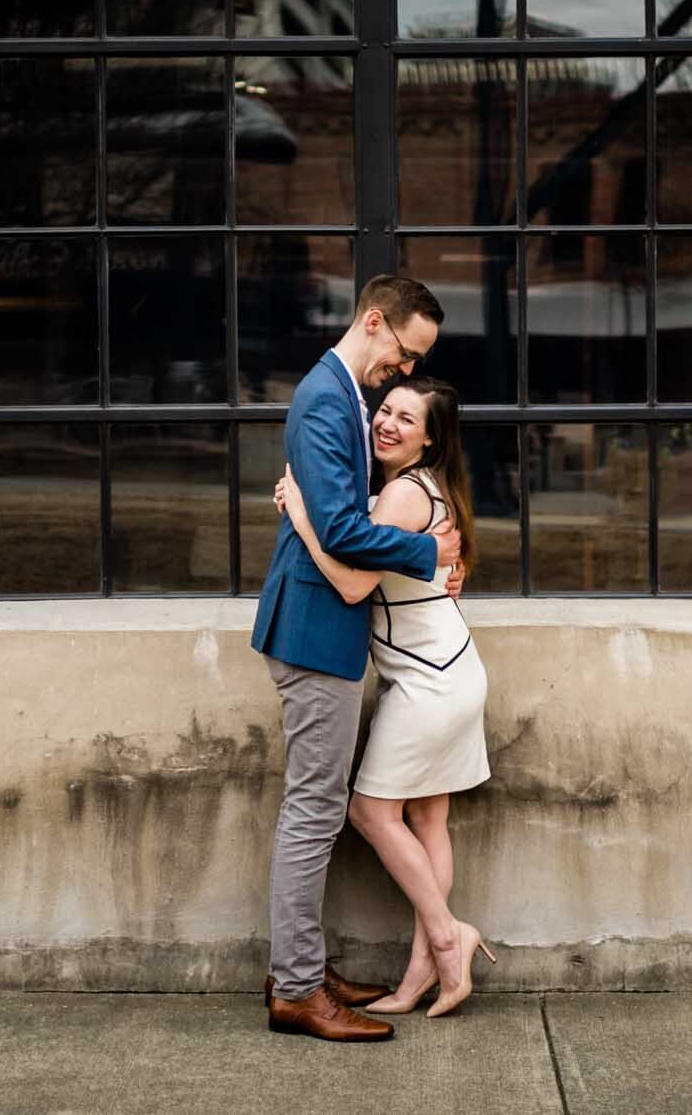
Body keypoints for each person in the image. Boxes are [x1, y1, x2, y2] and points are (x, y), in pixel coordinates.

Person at [250, 275, 461, 1043]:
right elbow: (339, 528)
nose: (404, 373)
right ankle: (299, 990)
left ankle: (300, 967)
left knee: (317, 809)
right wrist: (426, 550)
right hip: (312, 631)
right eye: (405, 354)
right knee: (313, 812)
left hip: (321, 629)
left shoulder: (340, 394)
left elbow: (331, 518)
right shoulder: (322, 397)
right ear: (375, 322)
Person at [277, 376, 494, 1020]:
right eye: (385, 409)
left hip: (430, 680)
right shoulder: (421, 486)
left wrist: (301, 516)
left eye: (407, 418)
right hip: (448, 669)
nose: (388, 423)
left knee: (372, 813)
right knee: (427, 821)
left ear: (430, 438)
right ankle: (423, 970)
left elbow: (349, 586)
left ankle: (449, 937)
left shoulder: (402, 492)